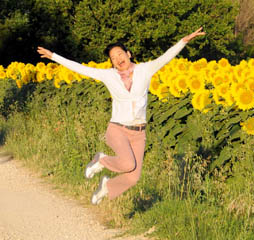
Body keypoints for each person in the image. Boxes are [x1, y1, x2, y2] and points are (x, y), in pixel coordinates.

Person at [37, 27, 206, 205]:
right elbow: (81, 69)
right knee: (126, 164)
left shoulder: (145, 70)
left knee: (133, 177)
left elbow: (166, 57)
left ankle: (107, 187)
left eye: (119, 54)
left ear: (128, 54)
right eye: (113, 58)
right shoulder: (108, 75)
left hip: (139, 133)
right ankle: (101, 160)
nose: (118, 59)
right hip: (118, 128)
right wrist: (53, 56)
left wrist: (185, 40)